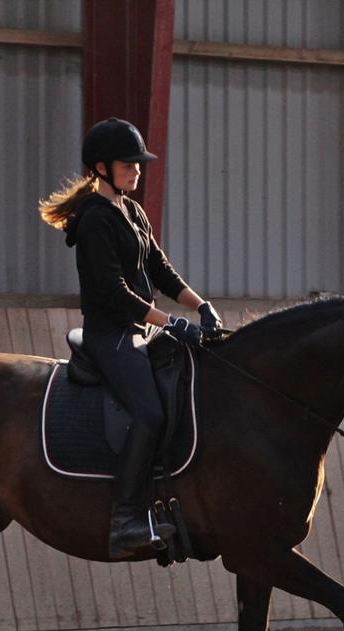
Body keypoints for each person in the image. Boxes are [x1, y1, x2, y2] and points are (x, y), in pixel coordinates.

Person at [39, 117, 223, 558]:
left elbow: (159, 268)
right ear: (101, 167)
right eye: (129, 164)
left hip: (139, 332)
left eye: (139, 164)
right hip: (110, 335)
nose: (137, 171)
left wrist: (200, 306)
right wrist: (169, 321)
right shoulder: (95, 221)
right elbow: (113, 293)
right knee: (149, 413)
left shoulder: (131, 211)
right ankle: (125, 519)